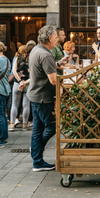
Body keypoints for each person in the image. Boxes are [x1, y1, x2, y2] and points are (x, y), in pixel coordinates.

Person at [22, 25, 59, 172]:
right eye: (56, 37)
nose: (57, 40)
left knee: (38, 129)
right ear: (50, 38)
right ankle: (36, 153)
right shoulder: (46, 54)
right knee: (52, 126)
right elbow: (54, 80)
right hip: (44, 97)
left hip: (35, 95)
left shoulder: (36, 50)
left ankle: (37, 160)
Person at [10, 45, 31, 131]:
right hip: (27, 83)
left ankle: (12, 124)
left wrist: (20, 82)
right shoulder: (30, 59)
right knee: (26, 105)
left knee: (14, 104)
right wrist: (25, 83)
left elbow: (14, 71)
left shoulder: (17, 58)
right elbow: (32, 74)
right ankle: (25, 125)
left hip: (17, 83)